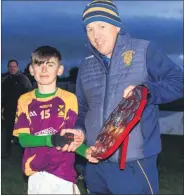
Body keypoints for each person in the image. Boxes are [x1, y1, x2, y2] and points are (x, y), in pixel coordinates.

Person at [60, 0, 183, 194]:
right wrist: (79, 131)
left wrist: (146, 91)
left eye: (102, 26)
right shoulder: (85, 66)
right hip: (95, 163)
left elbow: (178, 82)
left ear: (116, 26)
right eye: (89, 29)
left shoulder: (144, 50)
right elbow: (83, 109)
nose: (96, 35)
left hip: (134, 163)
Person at [12, 45, 85, 194]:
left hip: (63, 173)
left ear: (60, 70)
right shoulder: (24, 100)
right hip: (36, 173)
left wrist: (88, 152)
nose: (44, 69)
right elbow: (24, 140)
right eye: (39, 64)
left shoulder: (69, 99)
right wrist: (51, 139)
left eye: (50, 64)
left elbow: (71, 138)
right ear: (31, 70)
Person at [2, 59, 32, 158]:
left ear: (17, 67)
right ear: (8, 67)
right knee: (9, 132)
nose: (12, 68)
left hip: (21, 111)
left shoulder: (24, 79)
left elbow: (30, 94)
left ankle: (25, 153)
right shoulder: (4, 79)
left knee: (23, 132)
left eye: (14, 66)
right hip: (8, 111)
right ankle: (7, 152)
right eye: (10, 66)